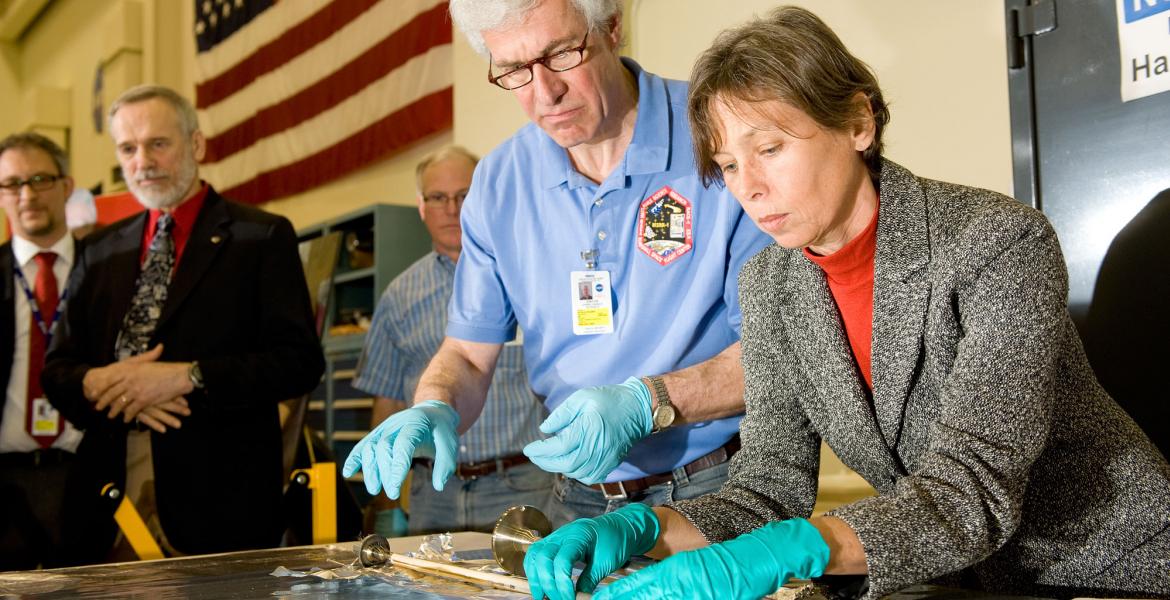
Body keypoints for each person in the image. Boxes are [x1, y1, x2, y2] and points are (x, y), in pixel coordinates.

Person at [523, 7, 1170, 600]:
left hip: (1109, 570)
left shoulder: (996, 242)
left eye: (769, 149)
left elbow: (970, 491)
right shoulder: (773, 282)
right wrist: (644, 529)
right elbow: (766, 491)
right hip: (966, 576)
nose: (749, 188)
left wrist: (799, 549)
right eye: (728, 165)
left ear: (857, 122)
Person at [344, 0, 772, 525]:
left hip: (714, 482)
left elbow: (779, 352)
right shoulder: (500, 182)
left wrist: (650, 402)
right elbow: (469, 356)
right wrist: (435, 403)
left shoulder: (718, 133)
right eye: (514, 71)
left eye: (562, 54)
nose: (545, 94)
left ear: (613, 27)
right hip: (578, 496)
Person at [43, 84, 324, 558]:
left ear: (195, 144)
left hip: (219, 503)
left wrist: (187, 377)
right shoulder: (98, 250)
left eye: (158, 143)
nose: (142, 162)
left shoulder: (261, 237)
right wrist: (105, 384)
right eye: (128, 149)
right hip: (105, 499)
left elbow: (299, 362)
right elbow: (57, 370)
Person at [353, 145, 551, 536]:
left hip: (521, 487)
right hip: (433, 494)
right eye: (438, 198)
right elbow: (388, 402)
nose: (451, 208)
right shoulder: (399, 295)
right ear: (421, 206)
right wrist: (386, 501)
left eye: (463, 195)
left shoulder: (531, 277)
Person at [0, 133, 94, 569]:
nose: (26, 195)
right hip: (4, 483)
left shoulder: (106, 267)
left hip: (87, 476)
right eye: (12, 183)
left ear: (66, 185)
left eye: (39, 179)